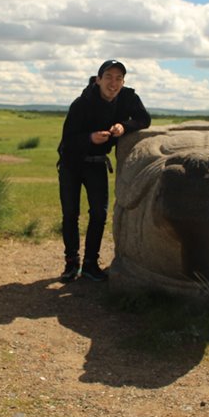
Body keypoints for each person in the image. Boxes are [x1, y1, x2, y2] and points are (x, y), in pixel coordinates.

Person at [56, 59, 151, 282]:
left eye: (118, 78)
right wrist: (90, 137)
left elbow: (144, 119)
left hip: (97, 162)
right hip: (71, 163)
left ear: (123, 81)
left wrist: (124, 126)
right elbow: (67, 141)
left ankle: (90, 264)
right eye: (108, 77)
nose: (113, 82)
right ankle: (71, 263)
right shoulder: (81, 103)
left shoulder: (128, 98)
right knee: (70, 214)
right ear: (98, 79)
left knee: (99, 214)